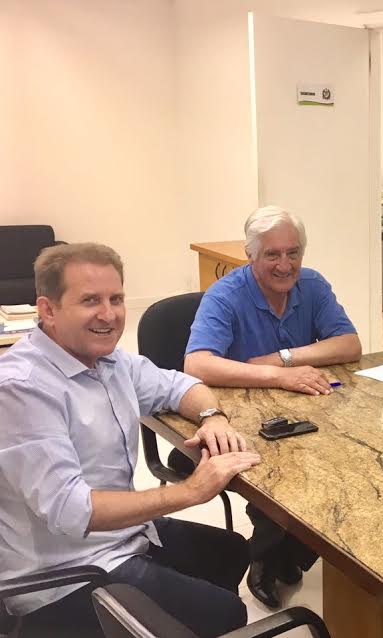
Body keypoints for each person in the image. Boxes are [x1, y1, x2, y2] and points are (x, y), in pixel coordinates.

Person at [0, 243, 262, 638]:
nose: (109, 315)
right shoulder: (23, 389)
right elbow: (73, 510)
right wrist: (191, 491)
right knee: (226, 612)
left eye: (116, 299)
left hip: (119, 536)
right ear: (48, 309)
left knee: (231, 551)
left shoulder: (108, 360)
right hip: (63, 575)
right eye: (90, 300)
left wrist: (212, 417)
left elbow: (180, 385)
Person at [184, 206, 361, 607]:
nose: (285, 265)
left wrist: (282, 359)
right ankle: (264, 555)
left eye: (293, 252)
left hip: (308, 409)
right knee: (277, 471)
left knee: (347, 462)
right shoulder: (225, 295)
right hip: (240, 416)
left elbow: (350, 344)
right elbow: (196, 364)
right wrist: (278, 376)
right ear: (250, 255)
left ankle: (292, 551)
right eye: (272, 255)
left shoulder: (312, 285)